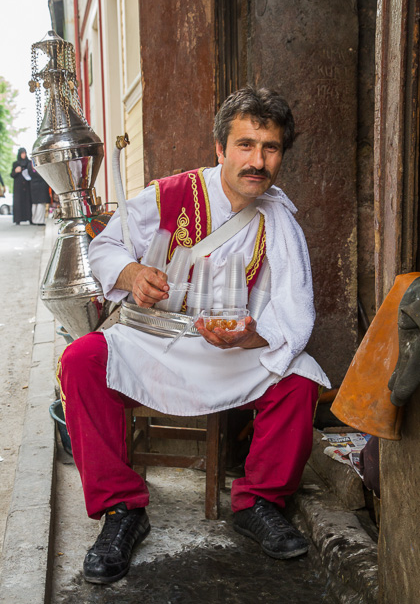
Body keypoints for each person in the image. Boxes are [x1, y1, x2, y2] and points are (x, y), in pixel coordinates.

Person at [57, 86, 330, 585]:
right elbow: (104, 248)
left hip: (227, 350)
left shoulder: (279, 221)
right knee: (80, 360)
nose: (258, 161)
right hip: (156, 340)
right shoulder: (169, 195)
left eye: (270, 148)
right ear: (220, 149)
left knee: (301, 378)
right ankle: (121, 510)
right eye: (246, 145)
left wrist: (248, 337)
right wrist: (133, 273)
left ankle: (259, 502)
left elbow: (292, 312)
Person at [10, 148, 32, 225]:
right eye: (22, 153)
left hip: (27, 185)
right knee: (18, 202)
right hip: (18, 187)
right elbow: (12, 175)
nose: (24, 155)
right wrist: (16, 171)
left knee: (28, 202)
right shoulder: (15, 163)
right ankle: (18, 219)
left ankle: (29, 218)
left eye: (24, 153)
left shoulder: (29, 163)